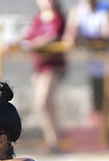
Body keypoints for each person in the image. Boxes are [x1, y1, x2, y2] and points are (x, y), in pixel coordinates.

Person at [63, 0, 109, 146]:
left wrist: (83, 39)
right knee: (101, 106)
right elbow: (70, 35)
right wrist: (73, 36)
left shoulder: (107, 9)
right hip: (95, 66)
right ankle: (107, 140)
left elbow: (107, 35)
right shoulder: (77, 11)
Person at [11, 0, 67, 152]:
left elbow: (53, 36)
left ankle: (55, 140)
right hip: (39, 66)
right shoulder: (38, 19)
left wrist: (33, 44)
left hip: (53, 65)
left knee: (43, 102)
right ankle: (53, 138)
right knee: (43, 105)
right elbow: (29, 37)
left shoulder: (58, 17)